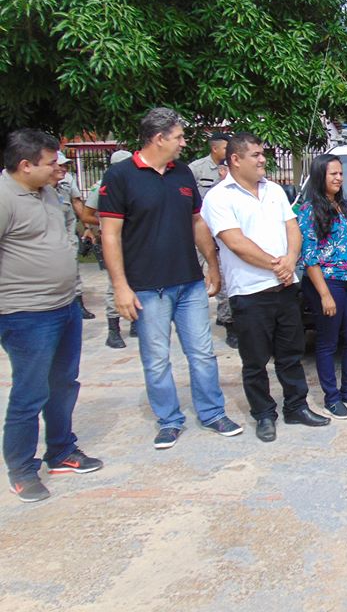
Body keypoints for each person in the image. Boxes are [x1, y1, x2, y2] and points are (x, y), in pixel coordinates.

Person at [99, 107, 243, 449]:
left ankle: (212, 413)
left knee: (202, 352)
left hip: (189, 282)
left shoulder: (182, 174)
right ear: (159, 138)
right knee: (157, 357)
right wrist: (120, 286)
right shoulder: (120, 176)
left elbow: (197, 222)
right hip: (148, 288)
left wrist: (212, 264)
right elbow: (110, 235)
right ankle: (169, 420)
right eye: (178, 137)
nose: (182, 143)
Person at [201, 133, 330, 442]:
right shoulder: (219, 198)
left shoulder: (273, 191)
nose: (262, 160)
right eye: (256, 155)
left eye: (263, 154)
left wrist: (291, 259)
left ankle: (296, 406)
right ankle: (263, 414)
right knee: (255, 360)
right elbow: (235, 243)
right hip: (249, 292)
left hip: (285, 287)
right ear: (235, 159)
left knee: (291, 353)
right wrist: (279, 265)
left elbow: (293, 229)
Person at [1, 129, 103, 503]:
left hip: (64, 306)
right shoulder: (4, 198)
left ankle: (61, 451)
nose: (58, 170)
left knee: (64, 384)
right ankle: (22, 469)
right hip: (25, 313)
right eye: (51, 164)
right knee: (30, 392)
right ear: (25, 165)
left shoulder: (46, 192)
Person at [299, 154, 347, 420]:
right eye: (333, 173)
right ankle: (331, 398)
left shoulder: (343, 206)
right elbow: (308, 256)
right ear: (321, 176)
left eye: (341, 173)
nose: (339, 178)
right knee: (328, 342)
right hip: (328, 282)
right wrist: (324, 295)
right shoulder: (309, 210)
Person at [80, 150, 135, 348]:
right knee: (115, 284)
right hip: (114, 240)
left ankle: (135, 321)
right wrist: (110, 222)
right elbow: (86, 215)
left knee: (138, 279)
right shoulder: (103, 185)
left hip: (135, 240)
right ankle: (114, 330)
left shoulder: (136, 183)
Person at [190, 130, 236, 348]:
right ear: (214, 148)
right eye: (225, 148)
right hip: (204, 233)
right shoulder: (197, 169)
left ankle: (227, 319)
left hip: (227, 232)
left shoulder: (235, 168)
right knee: (213, 282)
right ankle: (227, 323)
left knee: (227, 279)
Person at [53, 152, 95, 320]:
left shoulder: (68, 180)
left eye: (66, 165)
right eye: (60, 165)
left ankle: (77, 304)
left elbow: (77, 202)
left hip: (67, 233)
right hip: (49, 236)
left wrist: (87, 227)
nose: (64, 168)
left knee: (72, 267)